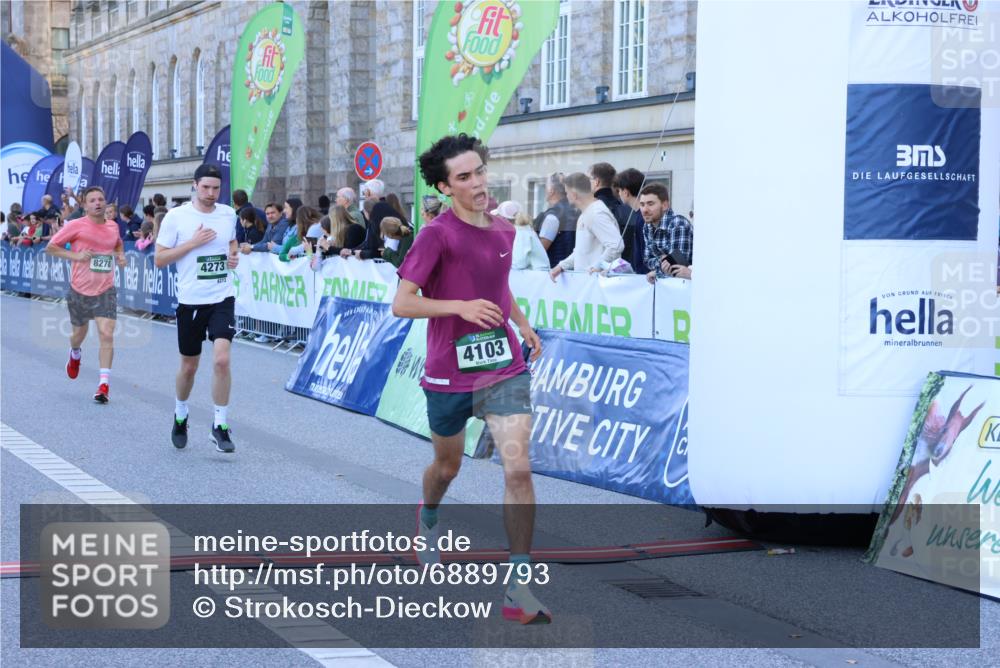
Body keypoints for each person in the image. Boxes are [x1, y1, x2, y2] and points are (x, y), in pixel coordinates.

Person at [393, 133, 549, 625]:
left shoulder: (504, 230)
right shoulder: (435, 235)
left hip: (504, 366)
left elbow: (498, 290)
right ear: (445, 186)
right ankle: (430, 517)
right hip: (448, 373)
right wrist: (458, 306)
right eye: (465, 177)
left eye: (480, 171)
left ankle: (518, 589)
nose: (478, 183)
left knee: (518, 468)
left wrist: (520, 322)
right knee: (447, 468)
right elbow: (403, 303)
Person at [154, 164, 240, 453]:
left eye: (216, 188)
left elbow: (231, 240)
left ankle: (220, 425)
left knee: (221, 360)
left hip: (222, 297)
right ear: (195, 185)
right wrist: (192, 243)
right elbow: (160, 259)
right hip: (191, 300)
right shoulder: (177, 217)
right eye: (206, 187)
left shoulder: (228, 213)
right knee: (189, 367)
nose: (211, 193)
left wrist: (234, 254)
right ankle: (180, 414)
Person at [45, 186, 125, 403]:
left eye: (101, 199)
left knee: (106, 334)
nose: (98, 203)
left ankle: (103, 385)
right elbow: (51, 247)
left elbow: (117, 243)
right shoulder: (76, 225)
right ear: (85, 205)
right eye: (92, 200)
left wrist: (120, 255)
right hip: (80, 289)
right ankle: (75, 353)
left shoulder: (113, 226)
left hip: (105, 289)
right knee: (78, 335)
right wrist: (76, 255)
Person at [549, 172, 623, 281]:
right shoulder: (587, 213)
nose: (566, 196)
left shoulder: (596, 213)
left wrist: (597, 267)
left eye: (567, 193)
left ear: (574, 194)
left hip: (596, 284)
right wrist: (561, 266)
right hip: (588, 284)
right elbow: (581, 251)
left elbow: (616, 245)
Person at [638, 183, 693, 284]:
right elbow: (647, 260)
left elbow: (677, 266)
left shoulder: (678, 223)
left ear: (665, 205)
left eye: (650, 204)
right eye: (642, 204)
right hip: (668, 287)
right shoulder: (647, 226)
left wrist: (657, 271)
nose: (645, 210)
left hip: (689, 288)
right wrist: (663, 260)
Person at [533, 173, 579, 267]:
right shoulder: (575, 211)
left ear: (551, 191)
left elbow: (540, 251)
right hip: (573, 271)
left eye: (546, 186)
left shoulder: (552, 217)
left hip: (555, 273)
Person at [612, 167, 646, 270]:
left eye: (619, 191)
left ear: (626, 192)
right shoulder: (639, 216)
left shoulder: (642, 218)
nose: (619, 194)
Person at [356, 179, 396, 260]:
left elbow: (374, 245)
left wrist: (361, 253)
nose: (364, 194)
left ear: (369, 192)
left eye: (364, 192)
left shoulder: (377, 210)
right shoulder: (387, 207)